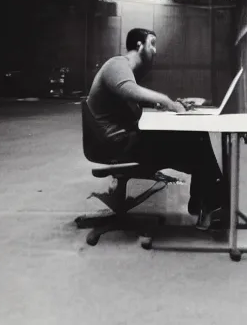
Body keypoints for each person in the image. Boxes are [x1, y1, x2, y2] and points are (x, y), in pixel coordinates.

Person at [85, 27, 227, 230]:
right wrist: (168, 102)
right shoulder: (117, 65)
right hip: (115, 144)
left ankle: (203, 203)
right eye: (152, 43)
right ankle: (210, 204)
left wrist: (159, 105)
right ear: (139, 45)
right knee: (196, 142)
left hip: (119, 140)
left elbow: (131, 105)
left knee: (197, 139)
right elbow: (131, 91)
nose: (156, 50)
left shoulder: (126, 72)